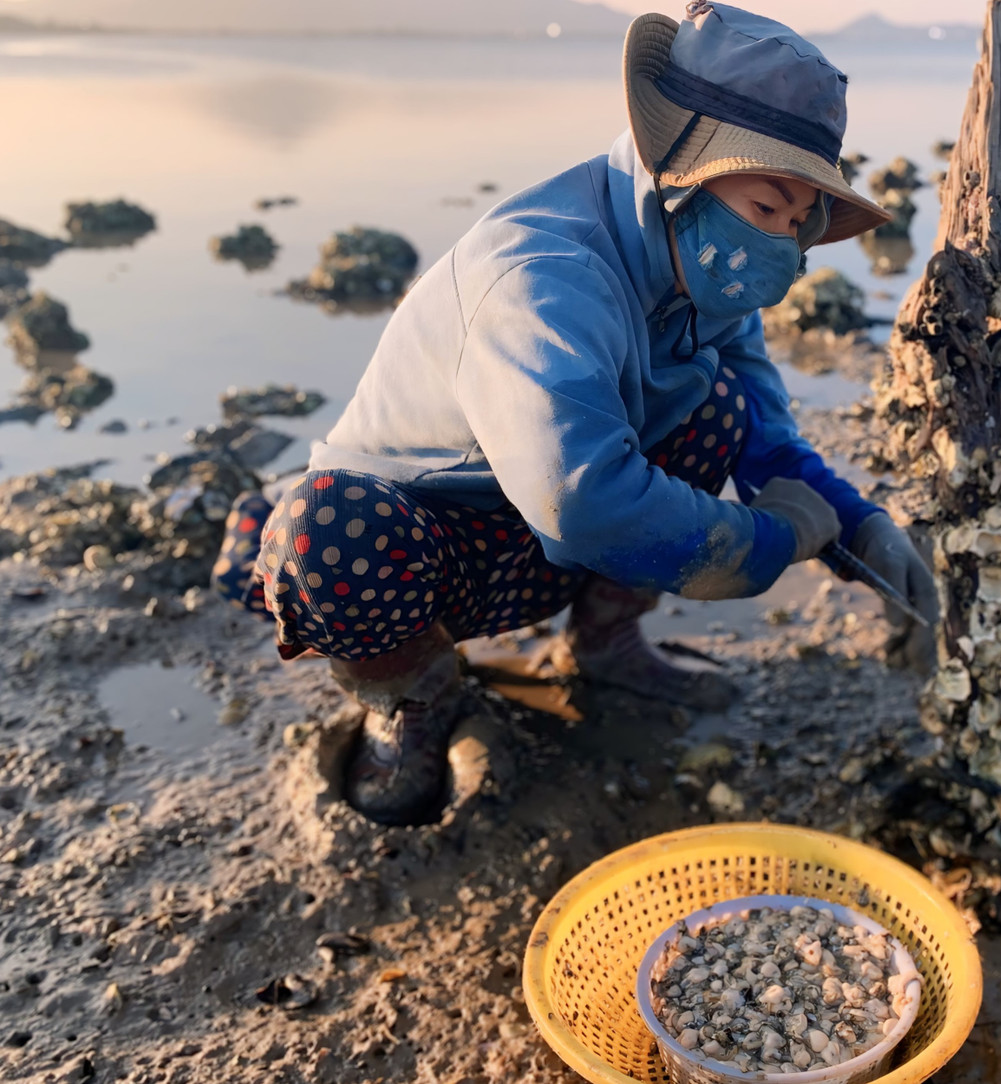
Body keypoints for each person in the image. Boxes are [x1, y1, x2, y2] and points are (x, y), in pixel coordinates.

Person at [212, 1, 937, 827]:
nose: (786, 243)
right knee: (330, 531)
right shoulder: (540, 278)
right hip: (433, 539)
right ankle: (411, 695)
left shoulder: (708, 275)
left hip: (558, 541)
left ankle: (605, 645)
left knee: (718, 409)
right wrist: (773, 542)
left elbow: (763, 434)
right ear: (683, 166)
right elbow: (585, 504)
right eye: (768, 208)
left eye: (803, 220)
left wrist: (857, 529)